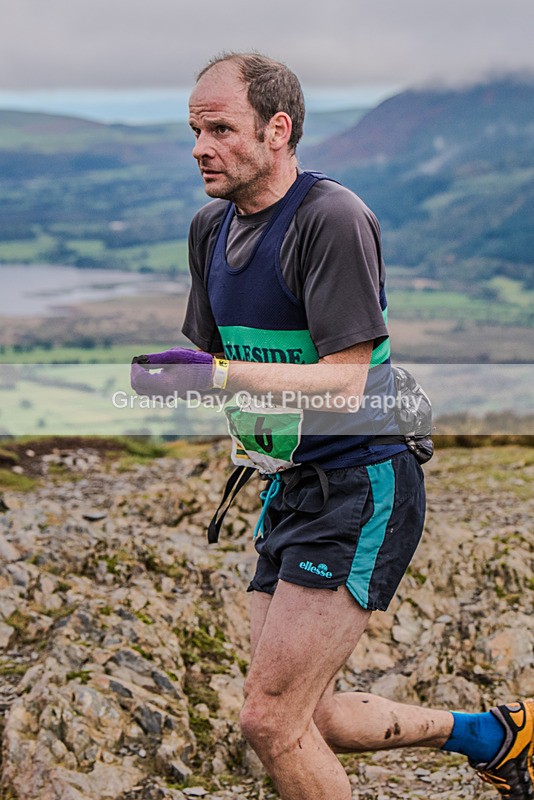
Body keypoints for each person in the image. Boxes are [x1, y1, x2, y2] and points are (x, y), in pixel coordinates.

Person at [131, 52, 534, 800]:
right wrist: (170, 371)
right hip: (288, 485)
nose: (198, 147)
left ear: (277, 130)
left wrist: (214, 377)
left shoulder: (330, 219)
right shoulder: (208, 229)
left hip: (362, 481)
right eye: (194, 129)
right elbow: (215, 354)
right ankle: (497, 734)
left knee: (269, 723)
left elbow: (347, 382)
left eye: (220, 128)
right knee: (306, 714)